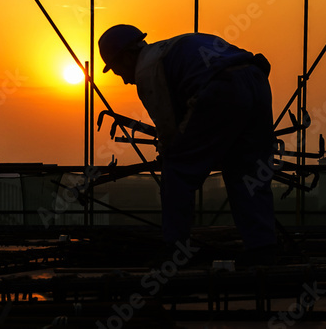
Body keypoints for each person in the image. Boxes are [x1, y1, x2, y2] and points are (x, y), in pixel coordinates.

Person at [98, 24, 277, 262]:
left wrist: (169, 151)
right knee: (248, 172)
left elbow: (169, 129)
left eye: (117, 70)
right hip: (256, 80)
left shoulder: (147, 69)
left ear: (128, 56)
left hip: (221, 88)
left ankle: (175, 250)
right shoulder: (169, 50)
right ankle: (263, 248)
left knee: (177, 172)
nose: (123, 80)